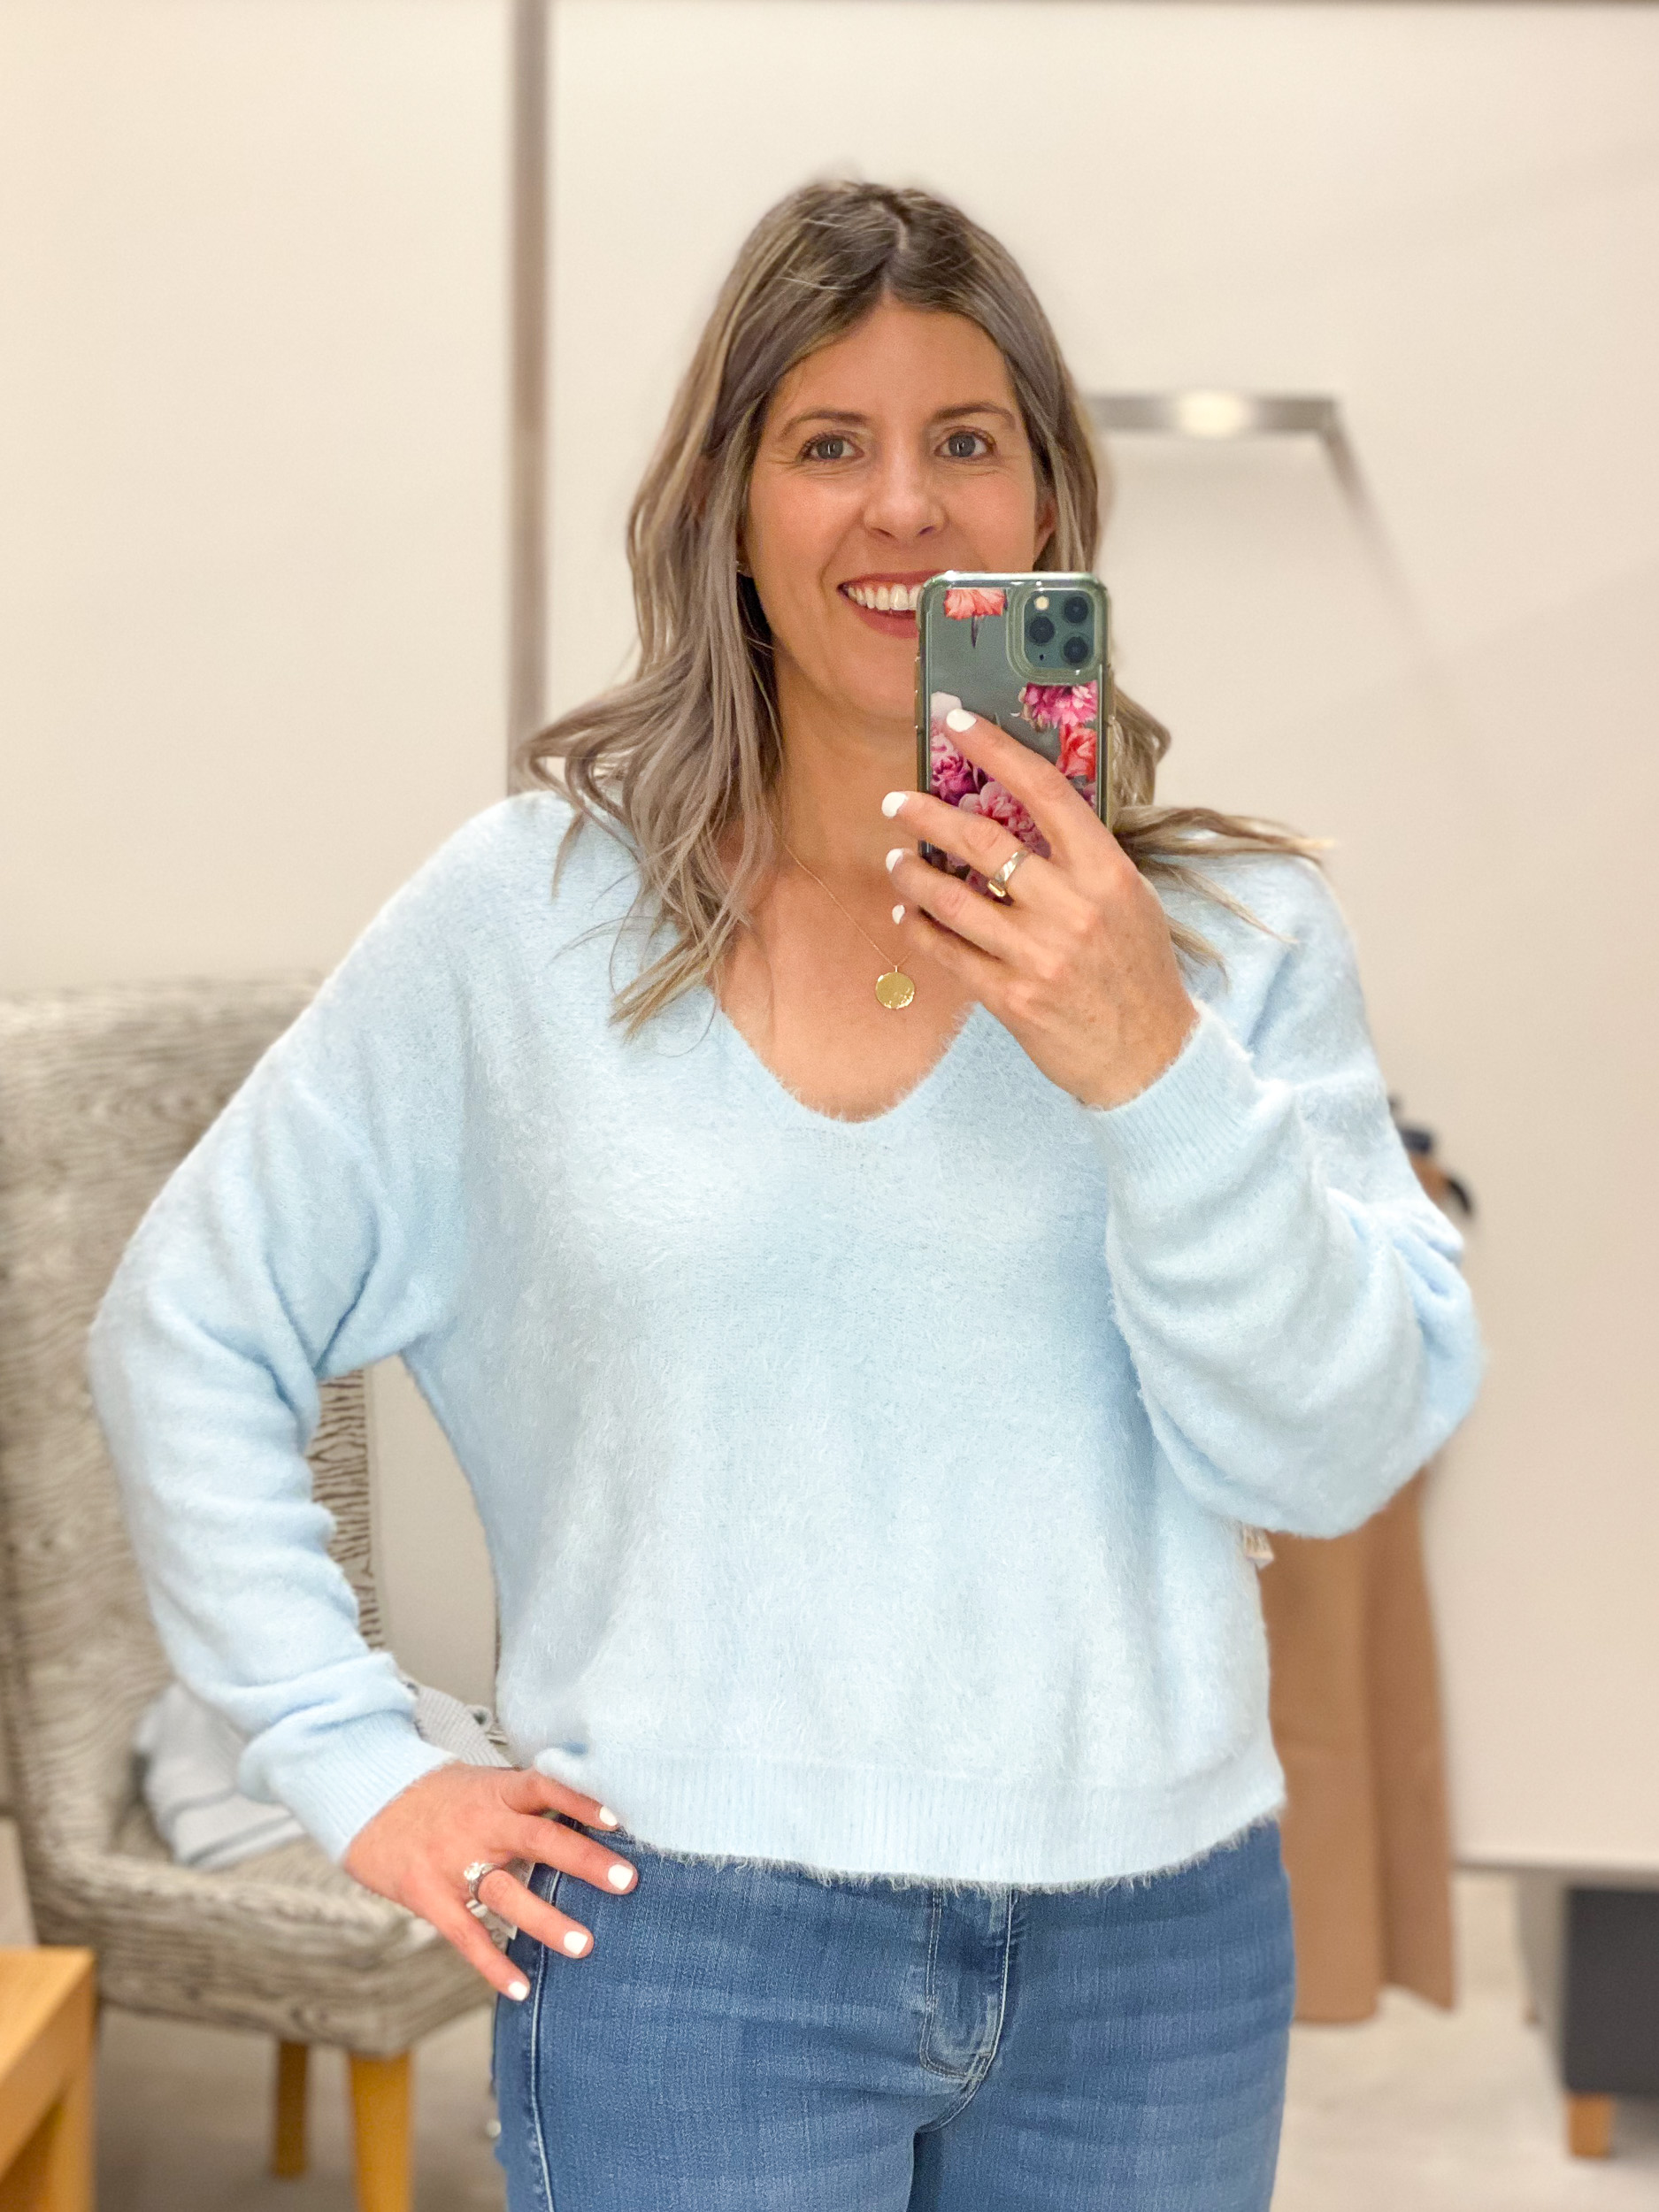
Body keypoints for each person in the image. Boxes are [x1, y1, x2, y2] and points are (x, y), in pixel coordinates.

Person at [89, 181, 1482, 2211]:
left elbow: (1331, 1447)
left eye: (963, 439)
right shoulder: (528, 920)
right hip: (688, 1950)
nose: (901, 506)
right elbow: (190, 1319)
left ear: (1044, 500)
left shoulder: (1228, 939)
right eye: (829, 442)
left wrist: (1142, 1054)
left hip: (1153, 1957)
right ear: (730, 512)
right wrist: (348, 1753)